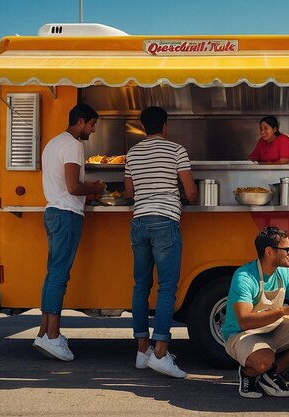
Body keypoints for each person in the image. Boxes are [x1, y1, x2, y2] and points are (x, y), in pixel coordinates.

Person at [124, 106, 198, 378]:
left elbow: (129, 192)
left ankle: (143, 349)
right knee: (167, 289)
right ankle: (160, 353)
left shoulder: (132, 153)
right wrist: (193, 196)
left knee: (141, 285)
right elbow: (189, 190)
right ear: (165, 126)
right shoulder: (176, 150)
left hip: (139, 221)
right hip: (165, 221)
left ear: (144, 128)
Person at [32, 103, 106, 361]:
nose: (93, 130)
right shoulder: (73, 145)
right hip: (66, 215)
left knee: (52, 274)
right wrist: (96, 188)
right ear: (82, 121)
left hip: (53, 212)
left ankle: (43, 333)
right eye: (92, 124)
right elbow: (73, 187)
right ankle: (53, 336)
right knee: (59, 276)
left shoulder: (53, 143)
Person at [222, 226, 289, 398]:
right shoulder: (244, 277)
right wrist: (285, 311)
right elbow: (245, 321)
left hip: (273, 329)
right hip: (242, 334)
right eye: (287, 249)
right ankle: (248, 373)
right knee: (263, 360)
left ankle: (272, 373)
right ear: (269, 251)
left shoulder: (285, 273)